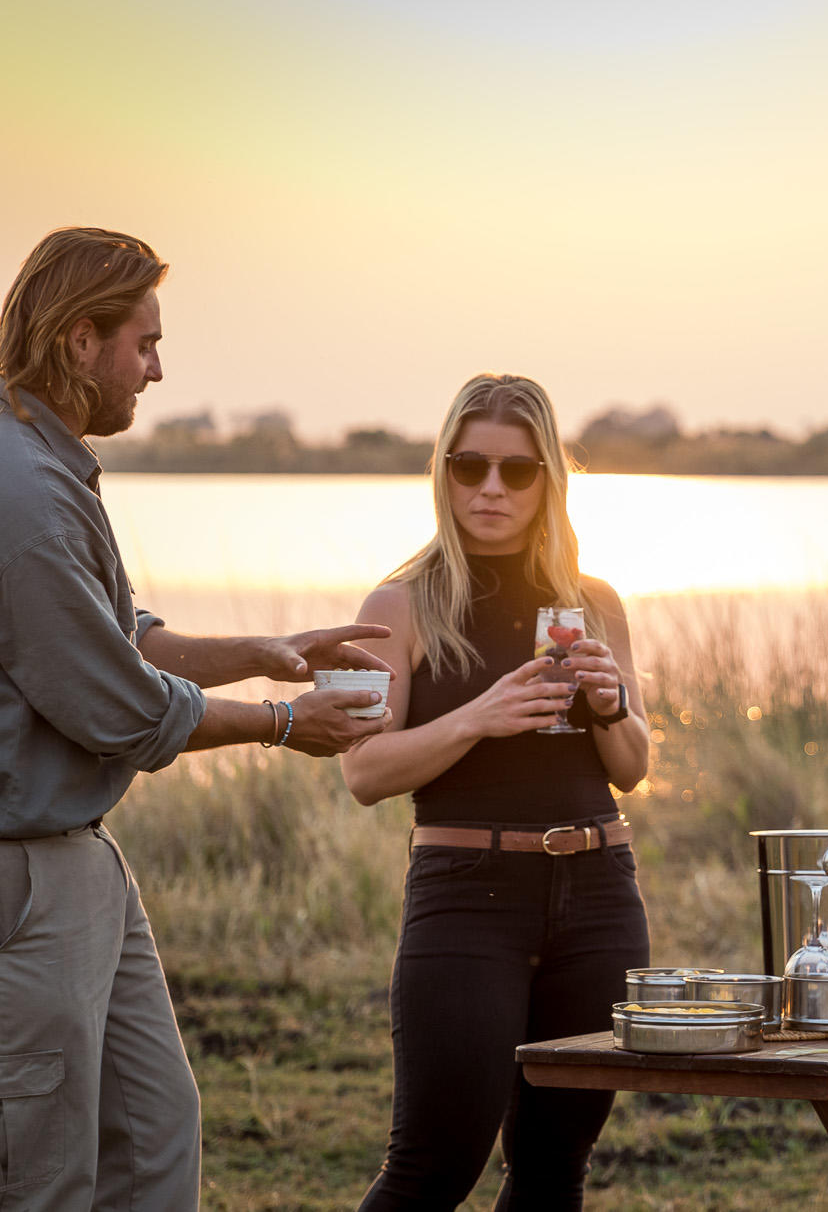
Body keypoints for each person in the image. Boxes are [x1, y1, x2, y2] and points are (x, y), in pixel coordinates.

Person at [0, 226, 391, 1210]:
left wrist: (268, 653)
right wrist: (281, 725)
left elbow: (122, 638)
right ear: (78, 341)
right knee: (45, 1172)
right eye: (145, 343)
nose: (158, 370)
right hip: (24, 875)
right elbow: (118, 708)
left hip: (80, 865)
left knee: (153, 1132)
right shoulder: (27, 497)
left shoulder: (49, 470)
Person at [343, 373, 651, 1211]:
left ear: (549, 477)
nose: (489, 489)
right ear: (441, 472)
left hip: (598, 894)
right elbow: (364, 772)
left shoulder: (592, 603)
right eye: (468, 466)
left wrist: (610, 701)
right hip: (466, 895)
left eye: (516, 471)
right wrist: (480, 716)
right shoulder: (399, 604)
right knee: (432, 1168)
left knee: (554, 1170)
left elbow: (631, 766)